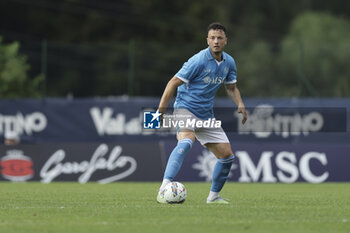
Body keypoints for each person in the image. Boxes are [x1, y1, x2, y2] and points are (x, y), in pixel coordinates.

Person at [156, 22, 247, 204]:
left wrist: (240, 103)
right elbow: (173, 82)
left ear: (225, 41)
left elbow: (231, 88)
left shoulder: (229, 62)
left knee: (227, 156)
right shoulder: (198, 60)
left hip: (206, 114)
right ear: (207, 40)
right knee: (187, 141)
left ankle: (213, 197)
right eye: (212, 38)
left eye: (219, 38)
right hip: (185, 108)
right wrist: (160, 111)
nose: (216, 41)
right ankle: (164, 188)